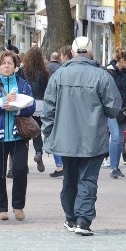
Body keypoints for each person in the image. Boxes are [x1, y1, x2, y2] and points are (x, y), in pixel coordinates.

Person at [42, 37, 121, 236]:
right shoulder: (102, 76)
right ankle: (83, 220)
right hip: (93, 137)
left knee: (69, 178)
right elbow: (114, 108)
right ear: (91, 53)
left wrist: (48, 135)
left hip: (65, 137)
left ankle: (70, 217)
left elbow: (48, 109)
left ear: (73, 52)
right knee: (88, 179)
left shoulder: (59, 76)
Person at [0, 50, 36, 220]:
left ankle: (18, 206)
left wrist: (17, 107)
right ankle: (0, 209)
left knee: (20, 170)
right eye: (3, 63)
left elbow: (31, 107)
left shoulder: (23, 85)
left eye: (10, 63)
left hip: (19, 135)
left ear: (16, 67)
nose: (6, 66)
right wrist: (1, 103)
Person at [17, 46, 50, 172]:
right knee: (36, 131)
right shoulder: (44, 72)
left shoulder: (22, 71)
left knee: (25, 131)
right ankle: (38, 152)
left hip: (26, 103)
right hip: (41, 104)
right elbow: (46, 89)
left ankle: (23, 163)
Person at [106, 51, 126, 178]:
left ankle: (116, 166)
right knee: (115, 136)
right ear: (122, 60)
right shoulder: (109, 72)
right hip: (111, 108)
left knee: (119, 139)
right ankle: (113, 167)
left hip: (124, 108)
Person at [49, 46, 74, 177]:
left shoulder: (60, 72)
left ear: (65, 56)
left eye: (62, 56)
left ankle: (61, 165)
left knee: (58, 137)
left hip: (61, 109)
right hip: (74, 112)